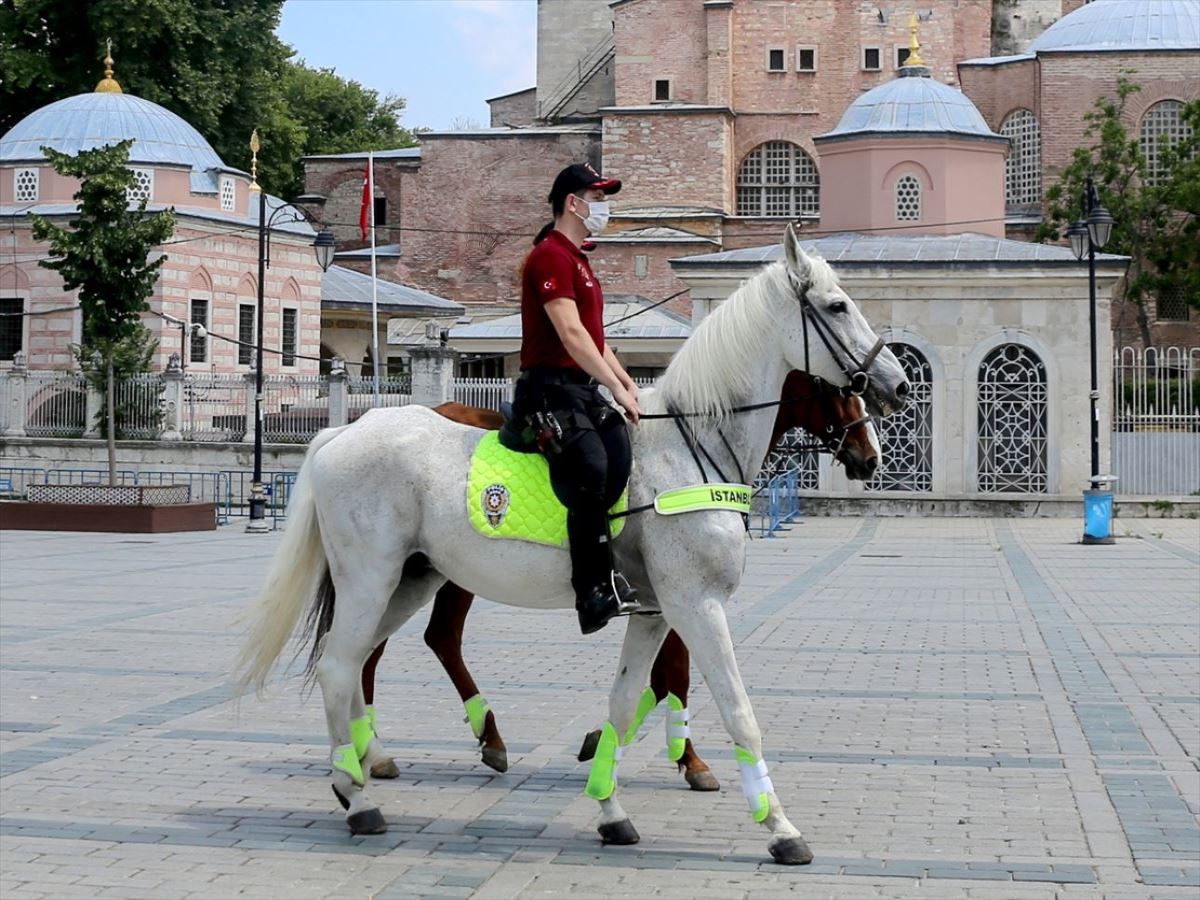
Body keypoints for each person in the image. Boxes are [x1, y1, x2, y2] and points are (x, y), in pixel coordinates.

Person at [514, 163, 643, 635]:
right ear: (574, 202)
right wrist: (610, 385)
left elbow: (596, 338)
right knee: (589, 465)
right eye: (598, 195)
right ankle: (590, 589)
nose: (603, 206)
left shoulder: (580, 261)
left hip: (579, 392)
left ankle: (601, 559)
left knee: (619, 451)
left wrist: (625, 383)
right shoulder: (549, 256)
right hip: (545, 391)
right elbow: (570, 333)